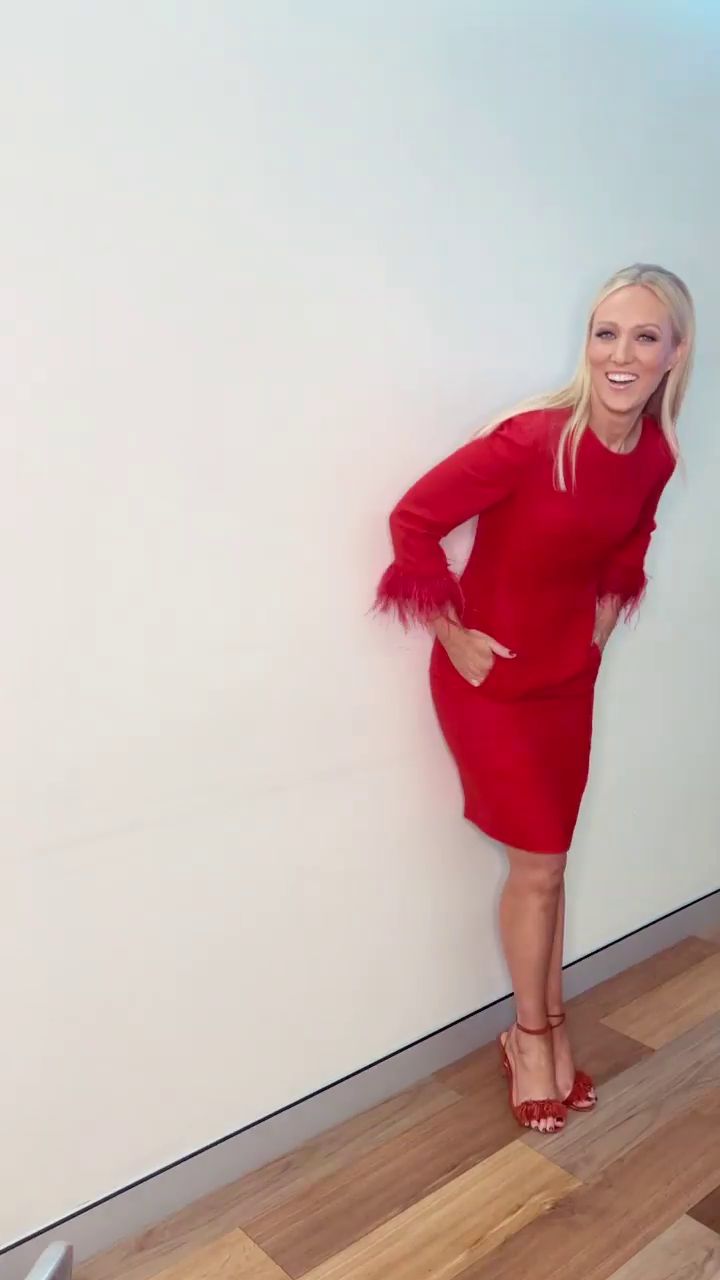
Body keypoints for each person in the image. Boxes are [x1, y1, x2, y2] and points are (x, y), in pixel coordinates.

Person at [375, 264, 695, 1133]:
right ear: (588, 343)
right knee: (541, 868)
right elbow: (413, 521)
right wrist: (453, 636)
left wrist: (600, 624)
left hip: (566, 681)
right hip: (493, 686)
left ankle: (546, 1025)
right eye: (606, 333)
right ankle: (531, 1037)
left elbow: (631, 540)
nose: (620, 355)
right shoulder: (531, 440)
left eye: (644, 337)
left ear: (674, 354)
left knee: (549, 868)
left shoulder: (656, 455)